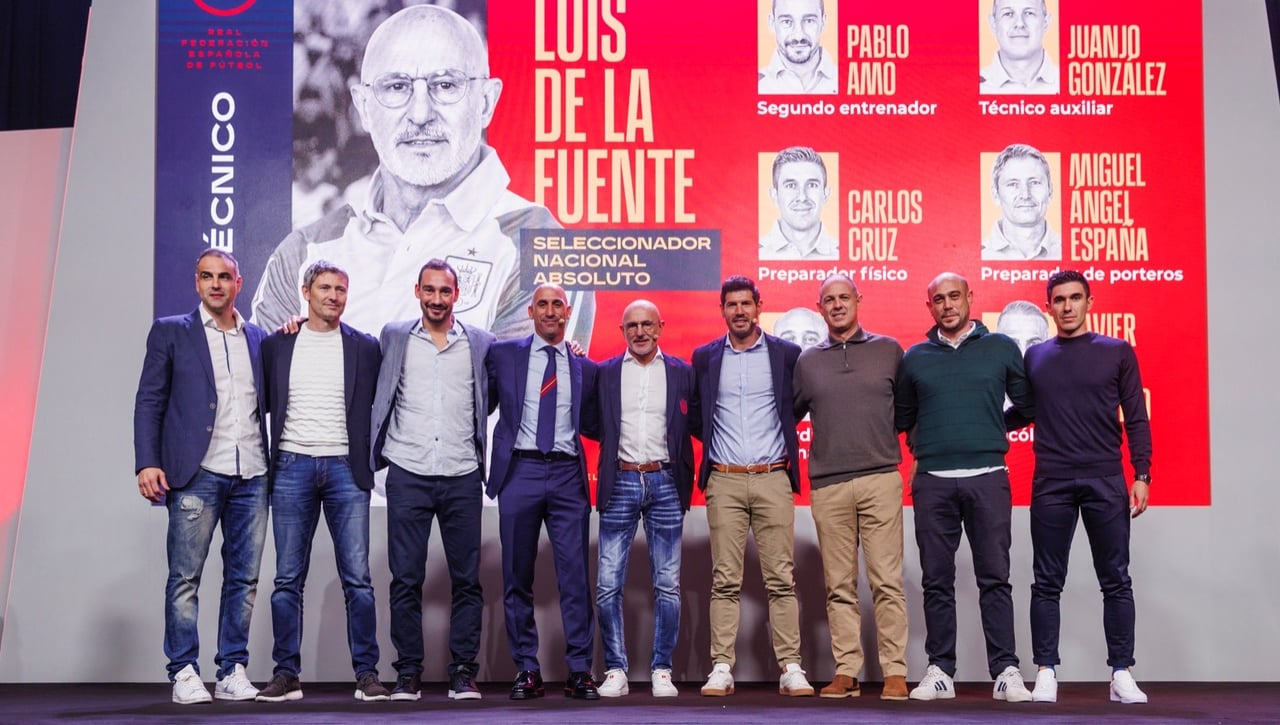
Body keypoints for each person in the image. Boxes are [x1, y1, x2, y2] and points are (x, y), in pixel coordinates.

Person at [252, 4, 593, 347]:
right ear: (364, 107)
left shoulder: (543, 245)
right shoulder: (304, 251)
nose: (419, 114)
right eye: (397, 87)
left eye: (445, 85)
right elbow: (264, 391)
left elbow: (532, 394)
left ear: (487, 101)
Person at [1009, 270, 1152, 705]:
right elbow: (1020, 414)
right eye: (1059, 300)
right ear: (1049, 305)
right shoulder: (1035, 358)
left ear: (1089, 302)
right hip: (1051, 480)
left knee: (1116, 580)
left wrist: (1142, 474)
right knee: (1046, 582)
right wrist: (967, 428)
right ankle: (1046, 670)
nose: (1067, 306)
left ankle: (1121, 673)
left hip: (1105, 478)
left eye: (1075, 298)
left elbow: (1137, 417)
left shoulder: (1117, 352)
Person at [133, 250, 269, 704]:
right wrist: (147, 462)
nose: (216, 284)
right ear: (196, 283)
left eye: (224, 277)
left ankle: (232, 668)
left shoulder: (257, 337)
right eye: (207, 277)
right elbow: (150, 400)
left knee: (244, 580)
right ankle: (184, 671)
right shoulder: (172, 331)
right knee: (185, 577)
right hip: (196, 474)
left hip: (251, 471)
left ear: (238, 282)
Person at [894, 272, 1034, 703]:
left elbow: (1027, 407)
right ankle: (940, 670)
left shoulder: (1002, 349)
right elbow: (902, 418)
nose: (948, 304)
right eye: (939, 299)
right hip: (933, 481)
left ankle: (1006, 670)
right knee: (937, 580)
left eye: (955, 296)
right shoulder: (915, 357)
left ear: (970, 298)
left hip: (988, 476)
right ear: (930, 307)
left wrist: (990, 427)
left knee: (996, 577)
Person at [255, 260, 388, 703]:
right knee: (287, 579)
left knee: (358, 580)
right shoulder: (277, 344)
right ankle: (285, 673)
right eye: (325, 287)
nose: (333, 295)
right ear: (305, 291)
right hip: (291, 465)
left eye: (341, 289)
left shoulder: (365, 348)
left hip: (346, 470)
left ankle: (367, 675)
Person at [369, 259, 495, 701]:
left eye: (445, 291)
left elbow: (492, 395)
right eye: (430, 291)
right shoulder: (394, 336)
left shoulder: (481, 342)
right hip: (408, 471)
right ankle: (408, 672)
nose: (437, 299)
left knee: (467, 580)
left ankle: (463, 671)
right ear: (417, 291)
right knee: (405, 579)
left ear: (456, 295)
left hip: (462, 472)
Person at [691, 275, 815, 698]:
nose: (739, 311)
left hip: (773, 477)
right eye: (732, 305)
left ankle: (791, 667)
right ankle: (722, 666)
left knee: (781, 577)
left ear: (759, 306)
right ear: (722, 310)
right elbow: (697, 418)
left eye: (746, 303)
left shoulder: (787, 354)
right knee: (724, 579)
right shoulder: (705, 357)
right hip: (723, 479)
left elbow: (793, 408)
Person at [793, 275, 910, 701]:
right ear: (820, 307)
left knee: (886, 581)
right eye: (829, 300)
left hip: (881, 477)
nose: (838, 305)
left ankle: (895, 670)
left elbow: (908, 411)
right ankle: (847, 671)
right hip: (828, 485)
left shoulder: (889, 351)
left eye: (844, 297)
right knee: (838, 584)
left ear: (858, 301)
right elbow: (787, 416)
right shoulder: (807, 361)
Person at [486, 284, 601, 701]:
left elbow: (592, 422)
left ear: (568, 313)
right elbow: (482, 403)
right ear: (531, 311)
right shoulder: (503, 354)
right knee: (517, 576)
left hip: (568, 474)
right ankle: (527, 670)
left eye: (558, 305)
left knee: (575, 578)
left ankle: (579, 671)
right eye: (543, 305)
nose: (550, 312)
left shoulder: (584, 365)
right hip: (521, 470)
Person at [584, 300, 695, 698]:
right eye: (632, 325)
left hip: (665, 480)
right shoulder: (605, 373)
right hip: (622, 479)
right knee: (608, 584)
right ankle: (616, 669)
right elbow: (592, 422)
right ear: (622, 330)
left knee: (668, 584)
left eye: (648, 324)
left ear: (661, 326)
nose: (640, 331)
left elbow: (693, 421)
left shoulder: (683, 372)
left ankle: (661, 668)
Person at [981, 144, 1061, 261]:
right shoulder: (982, 253)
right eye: (1013, 184)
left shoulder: (1066, 250)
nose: (1025, 195)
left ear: (1050, 191)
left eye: (1034, 182)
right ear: (995, 194)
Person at [760, 147, 838, 260]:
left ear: (826, 194)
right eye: (791, 186)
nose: (802, 197)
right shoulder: (758, 252)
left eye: (812, 185)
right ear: (774, 195)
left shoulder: (839, 252)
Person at [980, 0, 1059, 94]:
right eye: (1008, 14)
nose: (1020, 23)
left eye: (1029, 13)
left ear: (1046, 22)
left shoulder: (1069, 84)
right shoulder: (971, 86)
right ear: (993, 23)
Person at [759, 0, 837, 94]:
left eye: (809, 21)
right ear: (772, 23)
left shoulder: (847, 80)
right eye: (787, 22)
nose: (798, 36)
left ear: (823, 23)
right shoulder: (754, 85)